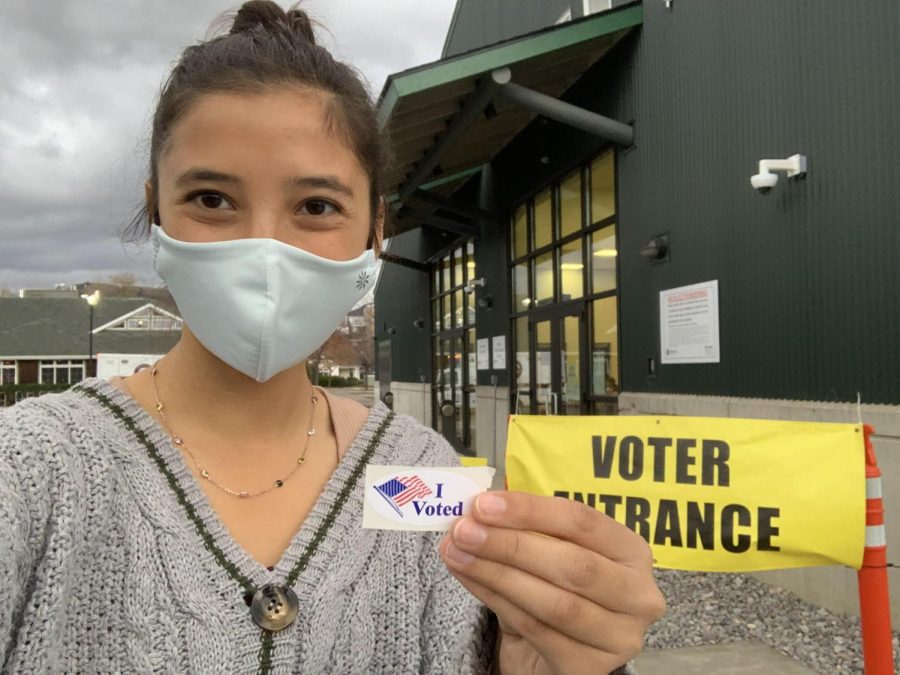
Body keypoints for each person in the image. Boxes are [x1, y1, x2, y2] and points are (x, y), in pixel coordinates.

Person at [0, 2, 664, 673]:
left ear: (376, 230)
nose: (264, 247)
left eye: (316, 206)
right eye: (211, 198)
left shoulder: (422, 472)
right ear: (157, 210)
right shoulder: (31, 468)